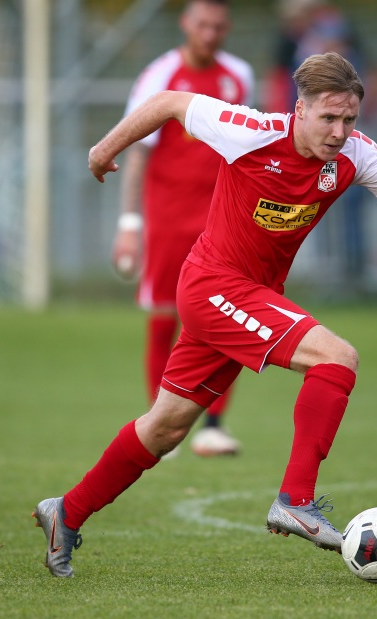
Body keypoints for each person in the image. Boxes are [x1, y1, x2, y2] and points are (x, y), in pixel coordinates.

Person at [32, 51, 377, 578]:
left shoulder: (356, 155)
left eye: (349, 119)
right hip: (213, 285)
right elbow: (168, 103)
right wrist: (104, 149)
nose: (340, 132)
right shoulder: (251, 131)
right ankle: (296, 499)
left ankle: (65, 511)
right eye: (329, 118)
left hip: (246, 295)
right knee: (337, 359)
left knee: (166, 427)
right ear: (300, 109)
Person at [113, 0, 253, 456]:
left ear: (226, 27)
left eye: (218, 26)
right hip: (170, 220)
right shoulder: (160, 77)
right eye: (202, 25)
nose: (210, 34)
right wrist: (130, 224)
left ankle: (213, 424)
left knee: (227, 317)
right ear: (185, 25)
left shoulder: (238, 76)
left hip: (223, 221)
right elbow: (137, 150)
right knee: (163, 316)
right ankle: (160, 426)